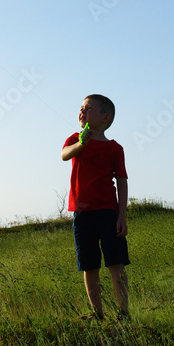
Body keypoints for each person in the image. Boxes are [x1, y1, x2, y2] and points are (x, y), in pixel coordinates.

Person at [61, 94, 130, 321]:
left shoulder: (114, 148)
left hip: (108, 213)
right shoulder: (75, 139)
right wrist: (82, 143)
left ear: (105, 117)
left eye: (88, 108)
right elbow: (64, 155)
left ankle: (123, 313)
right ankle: (97, 314)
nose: (81, 111)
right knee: (89, 266)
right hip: (82, 215)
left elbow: (121, 180)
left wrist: (122, 216)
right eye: (81, 108)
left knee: (115, 264)